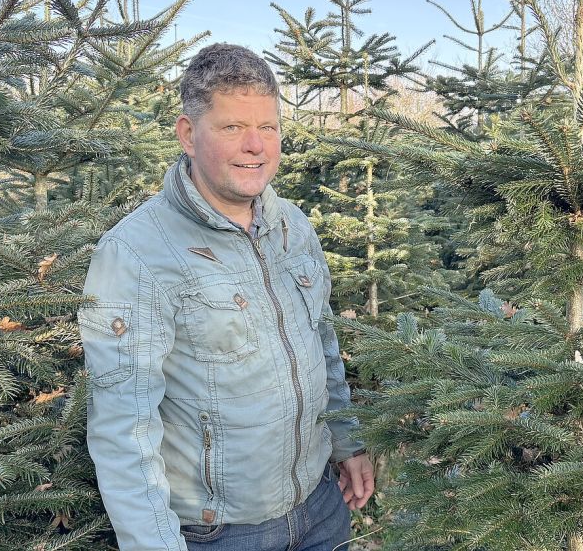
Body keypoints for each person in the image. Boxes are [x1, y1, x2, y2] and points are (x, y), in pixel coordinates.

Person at [79, 43, 374, 551]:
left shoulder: (293, 227)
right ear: (188, 134)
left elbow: (321, 346)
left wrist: (347, 442)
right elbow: (124, 430)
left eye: (268, 127)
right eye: (232, 127)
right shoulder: (136, 253)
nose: (255, 145)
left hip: (321, 509)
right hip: (221, 533)